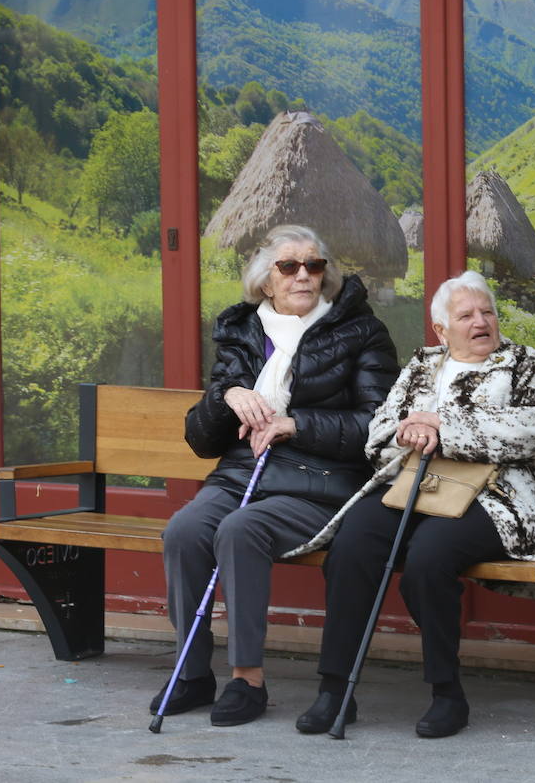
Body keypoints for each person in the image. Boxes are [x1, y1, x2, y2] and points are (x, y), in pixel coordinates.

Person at [288, 270, 535, 739]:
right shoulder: (421, 365)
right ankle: (335, 690)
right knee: (352, 546)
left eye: (487, 312)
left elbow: (532, 430)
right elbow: (378, 433)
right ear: (442, 329)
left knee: (429, 558)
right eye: (466, 315)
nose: (481, 321)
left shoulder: (523, 363)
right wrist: (404, 432)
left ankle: (447, 692)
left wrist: (443, 427)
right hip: (415, 487)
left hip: (498, 497)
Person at [152, 224, 398, 726]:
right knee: (184, 530)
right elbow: (202, 440)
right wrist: (226, 398)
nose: (304, 275)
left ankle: (247, 680)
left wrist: (296, 424)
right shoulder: (243, 332)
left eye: (314, 265)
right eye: (289, 266)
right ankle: (192, 672)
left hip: (318, 481)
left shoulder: (362, 331)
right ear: (266, 281)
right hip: (241, 476)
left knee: (242, 530)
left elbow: (379, 426)